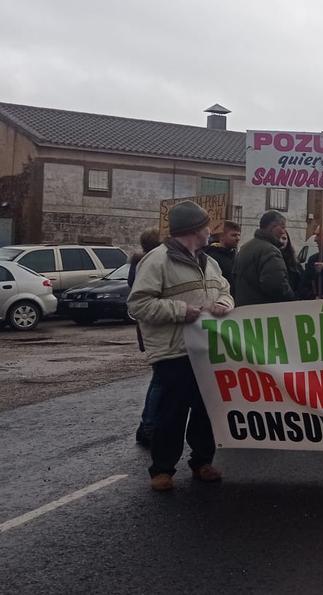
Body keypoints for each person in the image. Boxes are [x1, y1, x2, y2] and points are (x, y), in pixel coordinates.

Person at [127, 201, 234, 491]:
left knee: (207, 408)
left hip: (207, 349)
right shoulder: (157, 261)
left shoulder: (208, 262)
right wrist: (179, 310)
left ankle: (202, 461)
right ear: (194, 230)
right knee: (171, 412)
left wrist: (224, 303)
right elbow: (138, 304)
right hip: (174, 351)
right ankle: (162, 470)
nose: (210, 231)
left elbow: (224, 290)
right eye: (206, 225)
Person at [130, 228, 163, 447]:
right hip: (154, 330)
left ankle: (148, 424)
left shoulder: (139, 264)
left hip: (148, 329)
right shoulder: (148, 266)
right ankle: (149, 425)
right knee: (160, 379)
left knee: (158, 378)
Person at [234, 210, 297, 306]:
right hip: (264, 310)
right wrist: (293, 300)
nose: (284, 231)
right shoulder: (270, 250)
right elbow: (276, 286)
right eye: (283, 227)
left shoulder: (244, 248)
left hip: (245, 309)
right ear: (273, 227)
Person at [203, 221, 240, 286]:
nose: (238, 238)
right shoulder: (212, 257)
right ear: (222, 236)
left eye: (239, 235)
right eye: (233, 235)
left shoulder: (235, 255)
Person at [278, 229, 303, 295]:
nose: (281, 241)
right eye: (278, 238)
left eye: (284, 238)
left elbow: (301, 282)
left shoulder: (294, 262)